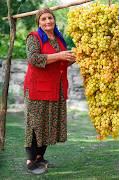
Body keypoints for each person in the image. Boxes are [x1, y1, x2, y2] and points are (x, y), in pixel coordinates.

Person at [24, 7, 76, 174]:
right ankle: (30, 160)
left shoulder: (59, 39)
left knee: (48, 123)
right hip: (37, 88)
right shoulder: (34, 37)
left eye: (50, 18)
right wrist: (60, 56)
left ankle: (40, 157)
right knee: (36, 124)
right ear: (39, 22)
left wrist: (70, 58)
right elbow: (33, 59)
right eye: (44, 19)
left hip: (56, 87)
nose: (48, 21)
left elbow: (60, 62)